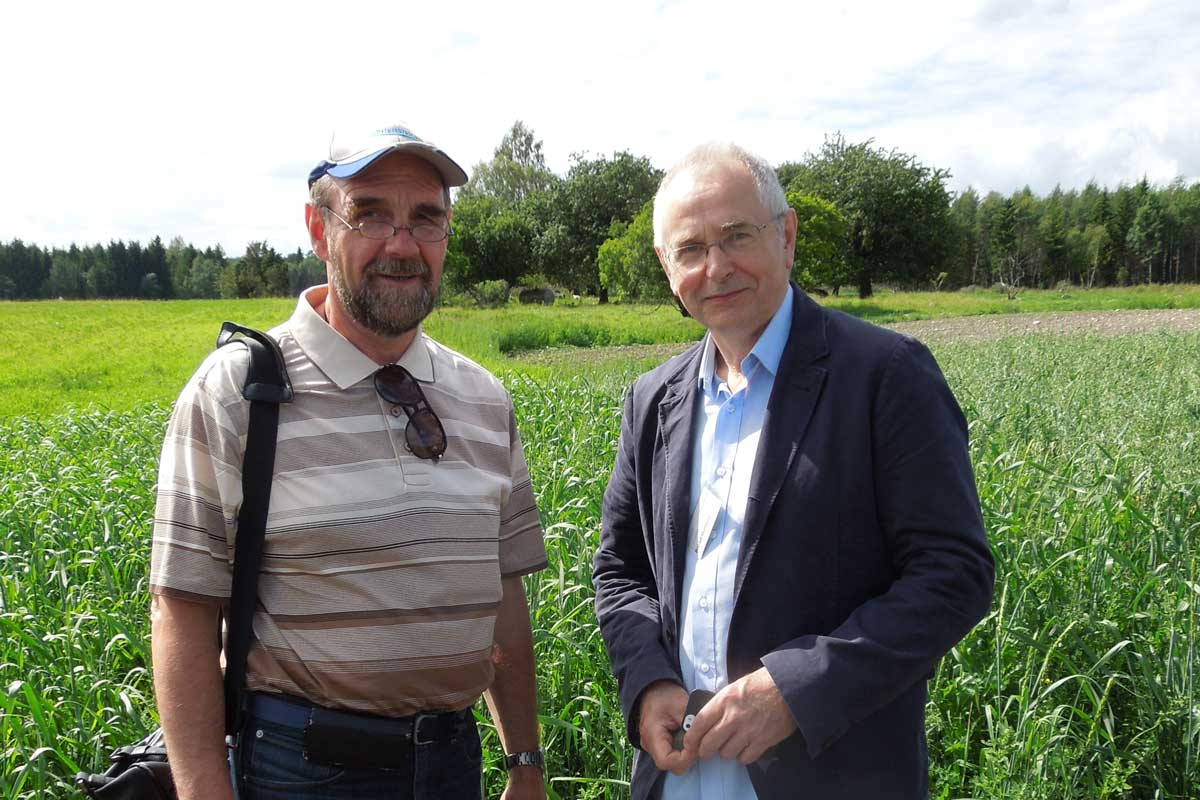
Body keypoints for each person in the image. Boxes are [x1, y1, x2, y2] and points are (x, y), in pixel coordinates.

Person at [149, 123, 548, 800]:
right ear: (317, 227)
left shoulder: (483, 398)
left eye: (426, 218)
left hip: (454, 768)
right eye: (369, 215)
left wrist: (525, 764)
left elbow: (503, 593)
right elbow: (182, 610)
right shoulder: (238, 392)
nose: (402, 244)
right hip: (300, 774)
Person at [592, 142, 994, 800]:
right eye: (690, 249)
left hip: (832, 773)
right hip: (680, 779)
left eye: (736, 236)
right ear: (667, 268)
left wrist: (799, 689)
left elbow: (954, 574)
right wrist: (648, 682)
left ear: (786, 236)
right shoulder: (653, 400)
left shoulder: (886, 376)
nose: (716, 267)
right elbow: (621, 570)